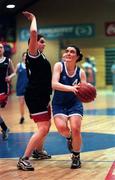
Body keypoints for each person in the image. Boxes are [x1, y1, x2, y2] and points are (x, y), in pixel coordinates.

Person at [17, 11, 52, 171]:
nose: (44, 44)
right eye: (42, 41)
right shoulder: (33, 54)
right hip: (36, 96)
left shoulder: (42, 57)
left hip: (42, 95)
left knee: (45, 126)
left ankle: (38, 151)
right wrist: (33, 18)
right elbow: (33, 32)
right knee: (43, 128)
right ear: (34, 43)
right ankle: (24, 158)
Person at [52, 46, 86, 169]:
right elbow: (54, 84)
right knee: (62, 128)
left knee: (76, 128)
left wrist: (86, 92)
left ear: (77, 57)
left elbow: (83, 89)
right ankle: (69, 137)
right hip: (59, 103)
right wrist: (72, 88)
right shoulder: (59, 66)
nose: (68, 53)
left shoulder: (80, 72)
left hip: (74, 103)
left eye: (72, 52)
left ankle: (76, 156)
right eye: (67, 51)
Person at [0, 43, 15, 140]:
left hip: (3, 89)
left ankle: (5, 128)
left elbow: (14, 72)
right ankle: (5, 128)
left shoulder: (8, 60)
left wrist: (10, 76)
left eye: (0, 47)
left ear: (3, 49)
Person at [15, 52, 28, 124]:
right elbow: (14, 73)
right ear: (22, 57)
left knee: (30, 103)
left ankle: (32, 114)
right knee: (21, 103)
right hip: (20, 87)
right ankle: (22, 116)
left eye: (27, 56)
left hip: (29, 88)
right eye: (24, 56)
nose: (25, 57)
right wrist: (9, 77)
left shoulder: (31, 65)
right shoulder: (18, 65)